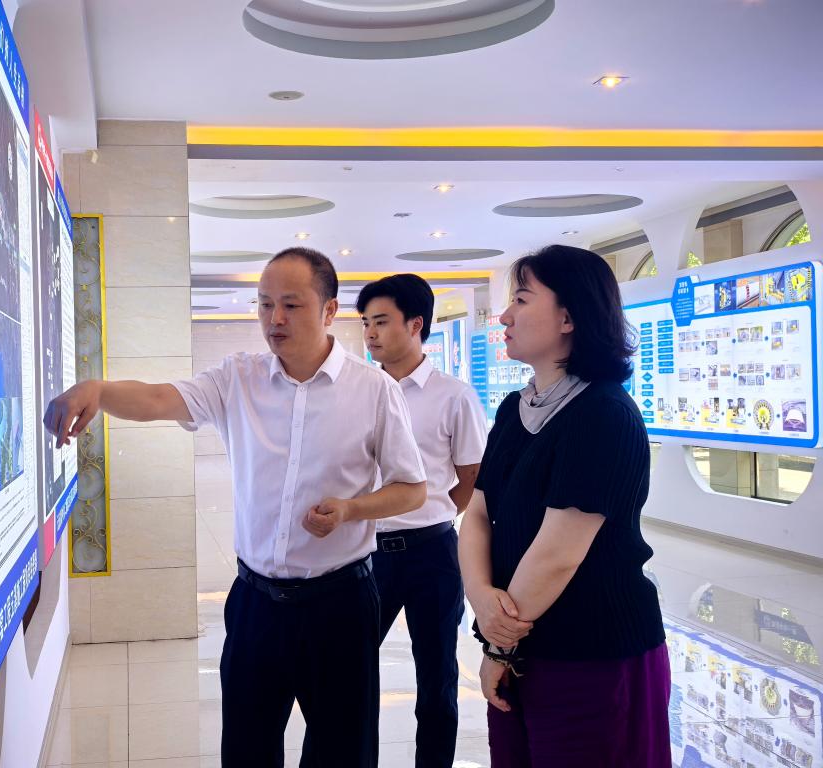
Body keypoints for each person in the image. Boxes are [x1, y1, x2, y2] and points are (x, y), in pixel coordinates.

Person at [44, 247, 427, 768]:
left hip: (340, 603)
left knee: (342, 751)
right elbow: (158, 399)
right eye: (265, 304)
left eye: (290, 304)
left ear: (329, 310)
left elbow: (412, 489)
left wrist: (350, 510)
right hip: (256, 605)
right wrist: (99, 390)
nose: (275, 318)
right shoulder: (237, 379)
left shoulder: (373, 389)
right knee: (247, 749)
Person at [458, 245, 670, 768]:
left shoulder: (603, 413)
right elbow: (478, 513)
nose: (504, 316)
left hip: (594, 651)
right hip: (523, 645)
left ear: (569, 317)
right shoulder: (515, 409)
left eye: (521, 299)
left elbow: (558, 554)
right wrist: (481, 599)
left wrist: (500, 642)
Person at [357, 274, 486, 766]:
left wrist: (431, 511)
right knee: (351, 671)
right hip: (366, 554)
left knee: (437, 677)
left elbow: (471, 475)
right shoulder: (358, 391)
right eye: (365, 323)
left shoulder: (454, 396)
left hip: (432, 553)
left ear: (415, 325)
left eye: (381, 321)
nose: (370, 333)